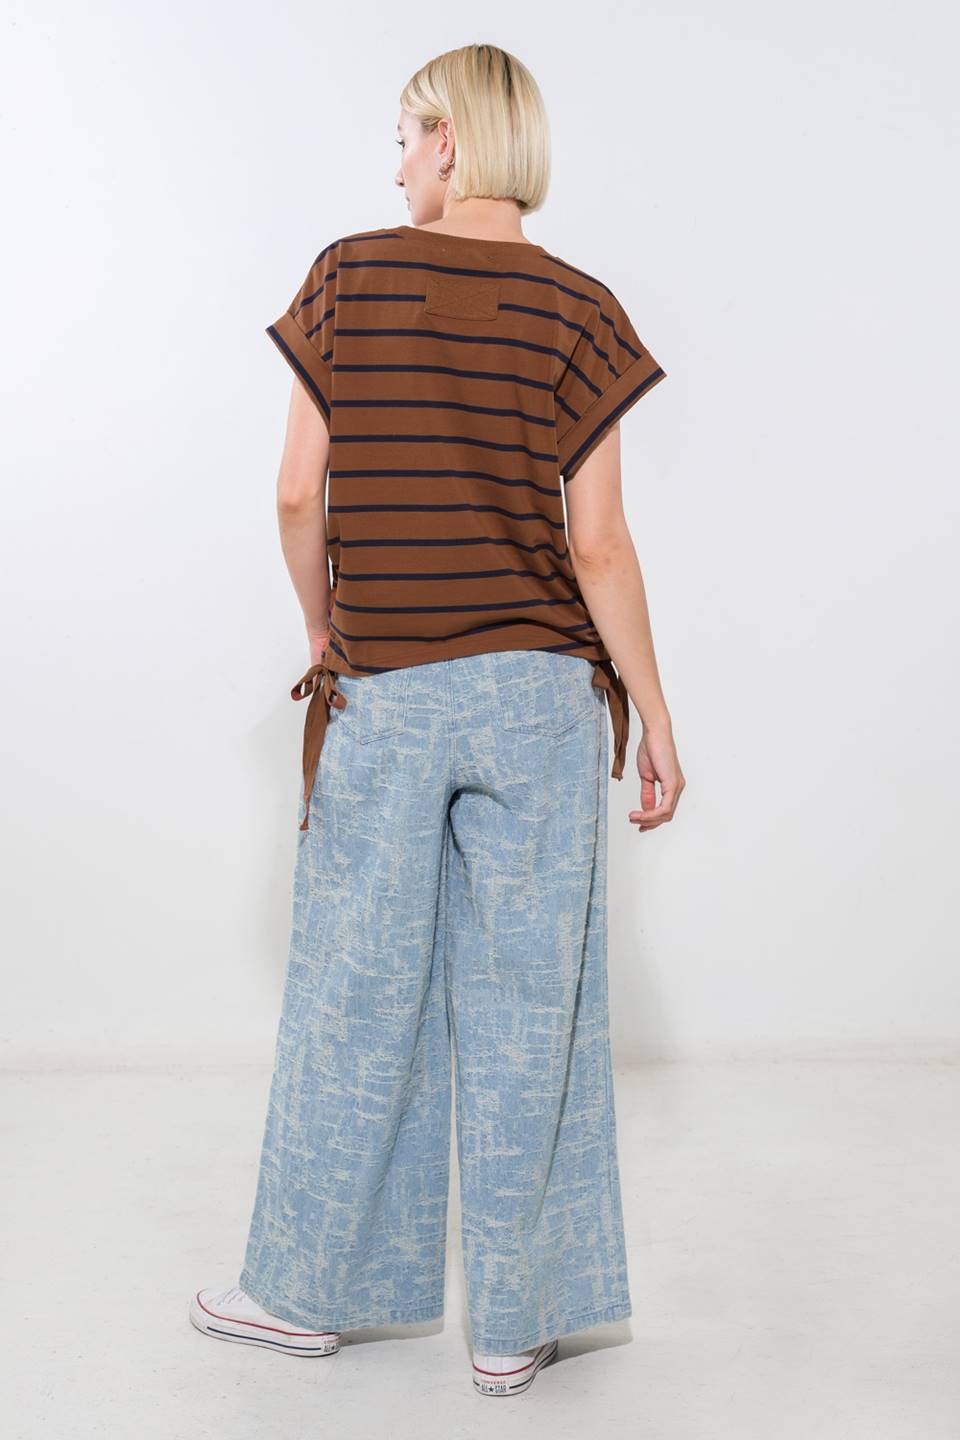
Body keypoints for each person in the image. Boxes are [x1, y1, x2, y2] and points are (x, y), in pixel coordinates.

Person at [189, 42, 684, 1397]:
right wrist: (653, 712)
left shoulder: (348, 279)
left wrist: (322, 629)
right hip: (542, 699)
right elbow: (599, 545)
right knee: (536, 1008)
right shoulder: (583, 308)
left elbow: (298, 494)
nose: (397, 161)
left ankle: (303, 1297)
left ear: (454, 139)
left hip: (392, 685)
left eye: (407, 134)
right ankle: (518, 1327)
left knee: (357, 993)